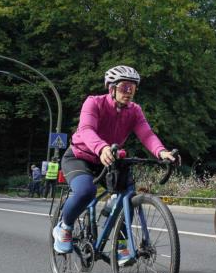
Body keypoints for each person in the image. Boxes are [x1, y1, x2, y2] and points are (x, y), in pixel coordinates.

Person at [52, 65, 176, 262]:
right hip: (80, 156)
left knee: (128, 193)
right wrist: (101, 148)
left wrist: (161, 152)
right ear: (111, 88)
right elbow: (86, 129)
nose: (128, 92)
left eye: (132, 88)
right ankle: (64, 227)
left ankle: (120, 244)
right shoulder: (93, 103)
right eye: (124, 87)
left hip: (110, 158)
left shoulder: (134, 111)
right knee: (85, 192)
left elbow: (146, 133)